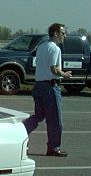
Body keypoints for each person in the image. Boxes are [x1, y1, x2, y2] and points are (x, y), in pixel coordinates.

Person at [23, 23, 72, 157]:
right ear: (56, 33)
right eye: (63, 33)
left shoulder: (42, 46)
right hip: (50, 87)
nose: (65, 36)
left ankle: (20, 132)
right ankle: (54, 148)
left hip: (38, 85)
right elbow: (54, 69)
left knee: (38, 116)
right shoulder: (55, 48)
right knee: (55, 120)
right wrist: (64, 74)